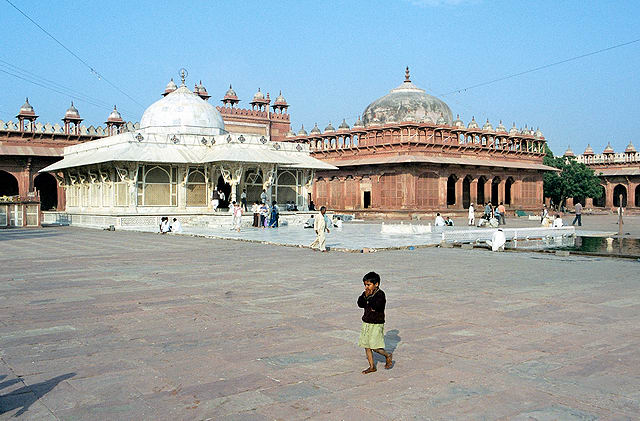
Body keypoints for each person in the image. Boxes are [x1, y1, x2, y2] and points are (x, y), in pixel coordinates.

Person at [357, 271, 393, 374]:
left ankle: (387, 355)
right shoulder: (365, 293)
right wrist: (365, 296)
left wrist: (368, 299)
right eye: (365, 285)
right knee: (366, 345)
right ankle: (372, 366)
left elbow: (376, 306)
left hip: (376, 323)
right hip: (367, 321)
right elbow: (360, 304)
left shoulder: (380, 294)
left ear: (376, 284)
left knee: (374, 346)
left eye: (369, 285)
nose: (366, 287)